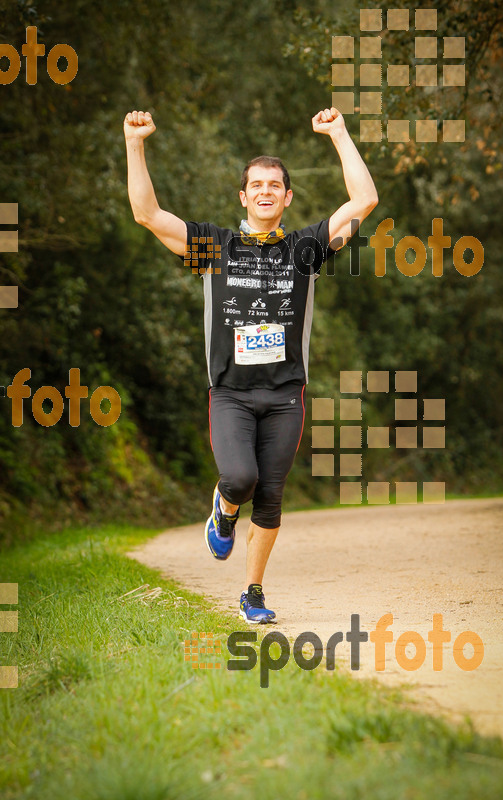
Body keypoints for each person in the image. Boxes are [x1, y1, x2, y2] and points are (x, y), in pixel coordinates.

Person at [124, 107, 378, 623]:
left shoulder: (305, 248)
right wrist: (135, 144)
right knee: (239, 476)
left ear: (286, 197)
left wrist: (339, 133)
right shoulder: (214, 246)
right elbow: (147, 214)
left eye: (275, 185)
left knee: (272, 495)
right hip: (231, 393)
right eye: (256, 184)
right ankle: (224, 506)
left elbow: (365, 200)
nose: (265, 191)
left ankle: (253, 592)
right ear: (244, 196)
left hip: (286, 395)